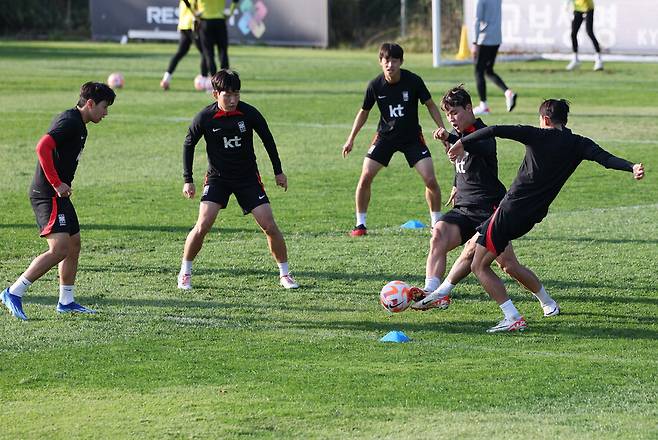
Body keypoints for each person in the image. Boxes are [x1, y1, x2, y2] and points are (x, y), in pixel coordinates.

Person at [446, 99, 645, 332]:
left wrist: (461, 141)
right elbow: (606, 159)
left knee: (479, 265)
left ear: (546, 120)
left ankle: (511, 317)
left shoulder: (536, 135)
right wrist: (631, 166)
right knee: (500, 259)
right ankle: (544, 303)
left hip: (510, 210)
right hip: (531, 217)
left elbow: (495, 130)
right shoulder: (578, 143)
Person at [409, 86, 559, 319]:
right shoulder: (458, 134)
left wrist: (449, 137)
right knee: (438, 233)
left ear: (469, 108)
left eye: (455, 113)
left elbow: (478, 146)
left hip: (490, 209)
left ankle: (547, 301)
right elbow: (462, 161)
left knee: (508, 265)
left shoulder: (483, 132)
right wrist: (456, 184)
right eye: (448, 115)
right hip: (464, 209)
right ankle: (432, 291)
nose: (452, 119)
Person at [1, 82, 116, 321]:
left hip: (59, 195)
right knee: (60, 249)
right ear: (90, 103)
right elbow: (42, 147)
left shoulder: (80, 124)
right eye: (104, 107)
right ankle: (13, 292)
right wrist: (56, 183)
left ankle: (66, 301)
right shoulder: (70, 121)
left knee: (73, 245)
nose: (106, 113)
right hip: (48, 194)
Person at [178, 69, 298, 290]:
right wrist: (188, 179)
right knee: (202, 225)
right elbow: (188, 144)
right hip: (217, 179)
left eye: (236, 94)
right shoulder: (204, 117)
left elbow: (268, 140)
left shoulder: (249, 113)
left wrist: (278, 171)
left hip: (247, 179)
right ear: (215, 94)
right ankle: (185, 272)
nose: (233, 100)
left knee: (270, 226)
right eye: (227, 95)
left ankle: (285, 274)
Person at [341, 43, 447, 236]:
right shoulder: (375, 85)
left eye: (395, 60)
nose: (390, 64)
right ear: (380, 62)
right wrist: (351, 139)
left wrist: (442, 129)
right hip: (385, 137)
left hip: (412, 138)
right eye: (386, 60)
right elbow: (363, 113)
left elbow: (430, 105)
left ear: (401, 62)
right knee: (365, 177)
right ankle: (360, 224)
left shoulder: (413, 81)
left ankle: (436, 223)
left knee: (430, 179)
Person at [471, 0, 517, 116]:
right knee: (488, 70)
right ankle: (508, 92)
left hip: (484, 38)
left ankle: (484, 105)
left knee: (478, 71)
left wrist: (475, 42)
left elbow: (477, 20)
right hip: (496, 38)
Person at [160, 0, 209, 91]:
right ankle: (204, 80)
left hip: (183, 26)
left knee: (180, 53)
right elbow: (198, 11)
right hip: (192, 26)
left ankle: (166, 79)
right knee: (205, 53)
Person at [197, 0, 239, 76]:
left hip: (205, 21)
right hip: (220, 21)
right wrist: (230, 13)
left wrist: (194, 14)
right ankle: (226, 80)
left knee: (209, 53)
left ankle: (214, 81)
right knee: (223, 52)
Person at [566, 0, 604, 71]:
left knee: (589, 32)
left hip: (588, 9)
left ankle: (599, 60)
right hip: (577, 9)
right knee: (573, 34)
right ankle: (575, 59)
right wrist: (567, 4)